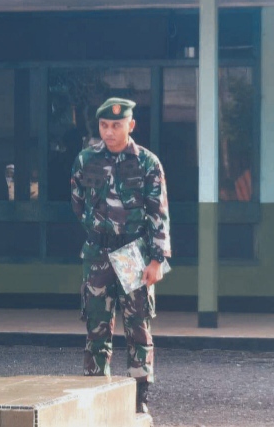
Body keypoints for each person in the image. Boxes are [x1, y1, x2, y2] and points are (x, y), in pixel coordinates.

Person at [71, 97, 171, 415]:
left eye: (116, 125)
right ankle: (96, 390)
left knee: (137, 324)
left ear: (131, 125)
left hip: (132, 252)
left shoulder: (146, 163)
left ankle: (139, 392)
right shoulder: (86, 160)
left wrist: (157, 260)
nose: (109, 132)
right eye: (104, 125)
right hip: (98, 251)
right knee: (96, 324)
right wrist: (97, 230)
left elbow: (159, 214)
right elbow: (77, 202)